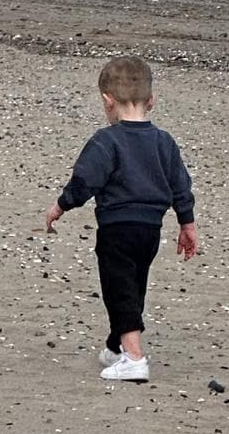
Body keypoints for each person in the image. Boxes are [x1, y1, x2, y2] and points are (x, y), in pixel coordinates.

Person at [45, 56, 197, 382]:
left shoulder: (107, 140)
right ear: (151, 100)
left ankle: (134, 357)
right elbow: (180, 185)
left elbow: (85, 181)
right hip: (150, 230)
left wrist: (60, 206)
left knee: (118, 288)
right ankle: (116, 346)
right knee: (133, 286)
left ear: (107, 101)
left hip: (117, 228)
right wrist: (187, 223)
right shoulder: (164, 142)